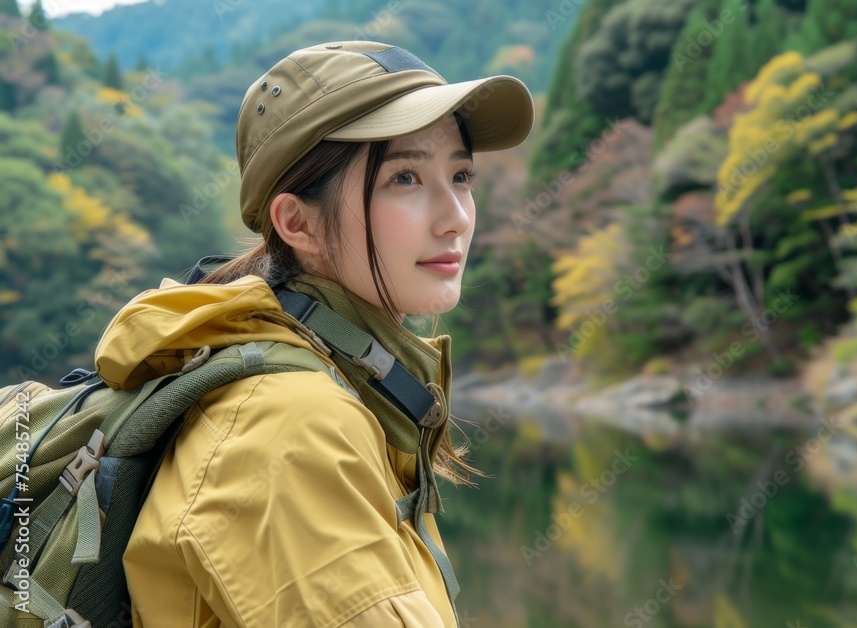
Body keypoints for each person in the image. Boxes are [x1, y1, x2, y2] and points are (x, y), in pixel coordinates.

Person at [95, 41, 533, 627]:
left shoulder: (349, 384)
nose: (455, 214)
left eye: (461, 175)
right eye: (404, 177)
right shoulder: (290, 425)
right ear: (297, 223)